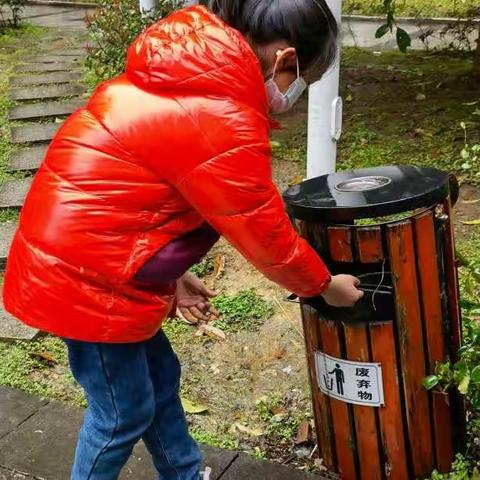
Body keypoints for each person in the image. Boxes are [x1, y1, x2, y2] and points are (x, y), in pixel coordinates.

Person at [3, 1, 364, 479]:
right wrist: (324, 285)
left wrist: (172, 274)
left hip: (96, 261)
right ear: (284, 59)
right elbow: (264, 232)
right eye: (300, 79)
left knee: (159, 379)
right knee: (121, 413)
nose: (292, 94)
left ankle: (184, 471)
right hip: (83, 282)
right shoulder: (219, 112)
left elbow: (133, 201)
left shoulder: (182, 78)